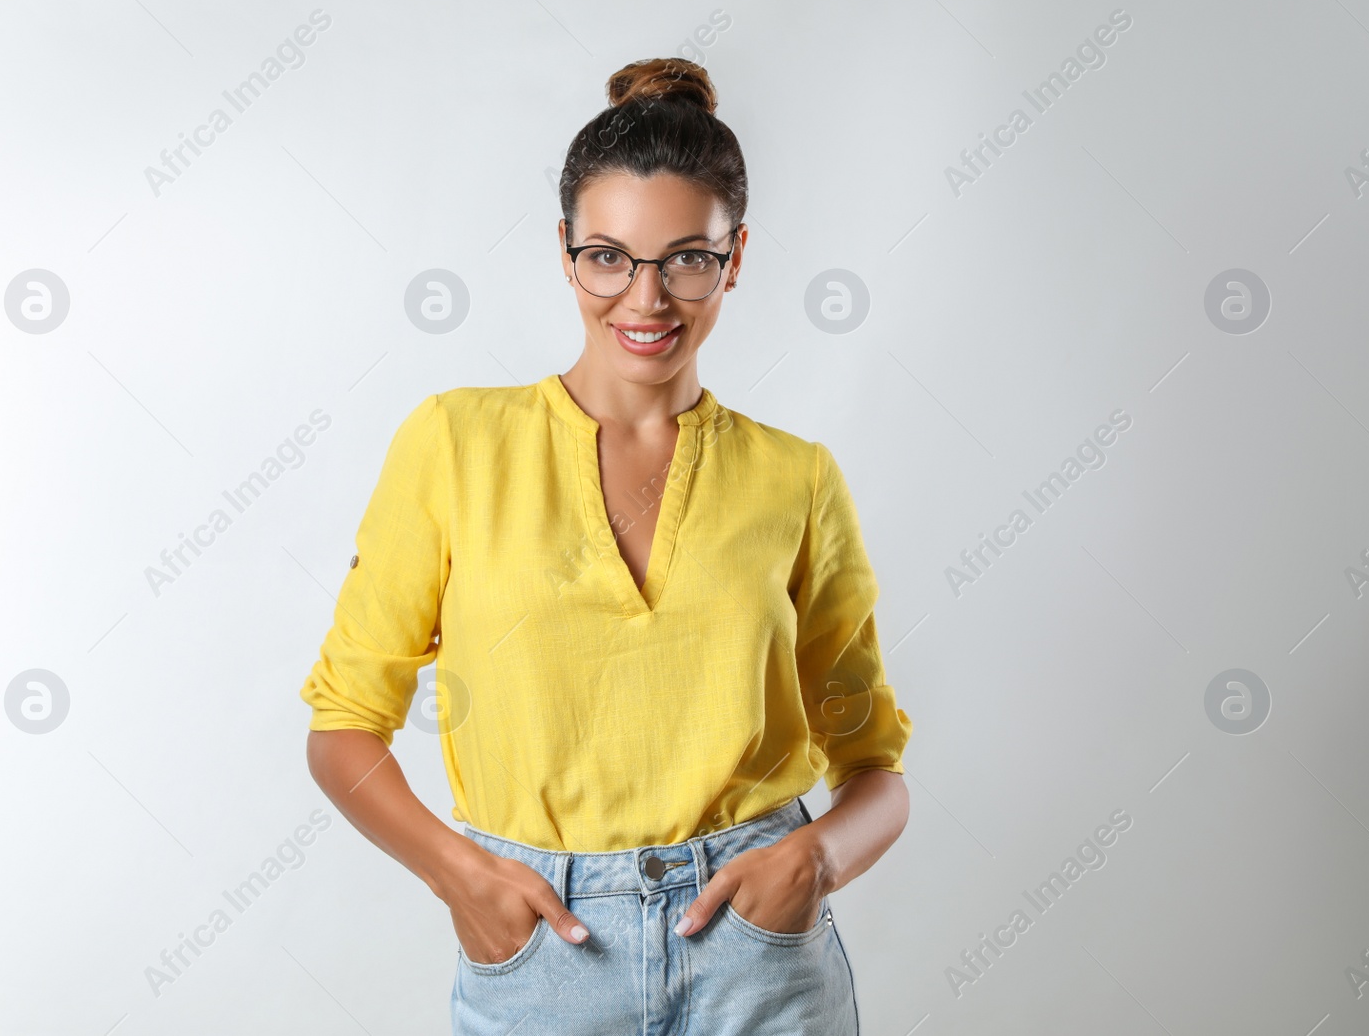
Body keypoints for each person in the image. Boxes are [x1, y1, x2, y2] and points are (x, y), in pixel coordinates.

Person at [300, 56, 912, 1035]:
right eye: (609, 257)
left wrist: (815, 860)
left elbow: (874, 767)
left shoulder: (794, 476)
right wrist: (462, 876)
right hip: (543, 945)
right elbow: (342, 727)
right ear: (565, 250)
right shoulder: (454, 443)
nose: (647, 299)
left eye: (688, 258)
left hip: (756, 952)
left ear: (736, 256)